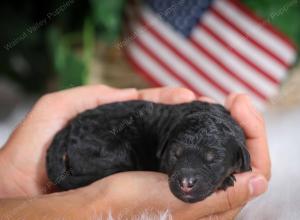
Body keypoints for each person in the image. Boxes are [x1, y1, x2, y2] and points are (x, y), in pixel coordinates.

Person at [0, 85, 270, 219]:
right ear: (166, 147)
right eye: (176, 155)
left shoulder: (234, 145)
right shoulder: (168, 134)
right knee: (122, 151)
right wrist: (93, 203)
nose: (186, 180)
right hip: (96, 138)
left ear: (239, 159)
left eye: (211, 161)